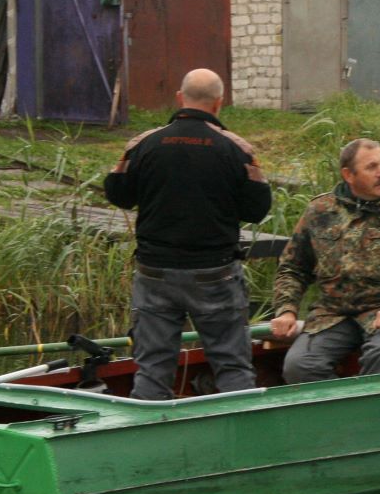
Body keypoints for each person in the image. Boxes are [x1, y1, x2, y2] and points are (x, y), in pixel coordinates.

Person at [103, 68, 272, 399]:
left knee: (151, 369)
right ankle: (240, 437)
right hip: (216, 275)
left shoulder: (143, 145)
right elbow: (257, 209)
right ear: (219, 104)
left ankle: (149, 439)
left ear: (180, 98)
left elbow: (117, 193)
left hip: (155, 274)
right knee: (233, 367)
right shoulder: (237, 150)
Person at [270, 137, 380, 383]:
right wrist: (286, 310)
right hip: (333, 314)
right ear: (348, 175)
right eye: (371, 167)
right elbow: (292, 268)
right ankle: (339, 414)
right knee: (299, 365)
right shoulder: (320, 211)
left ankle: (369, 414)